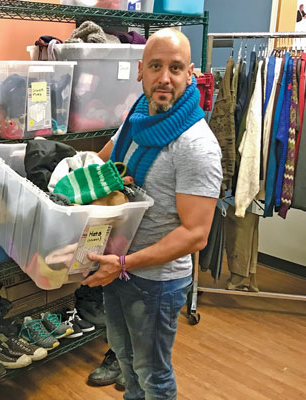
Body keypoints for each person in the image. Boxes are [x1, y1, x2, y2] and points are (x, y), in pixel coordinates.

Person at [82, 28, 223, 400]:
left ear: (190, 74)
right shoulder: (137, 116)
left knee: (153, 376)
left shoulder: (196, 146)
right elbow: (104, 163)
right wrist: (65, 180)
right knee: (127, 365)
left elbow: (196, 234)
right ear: (140, 71)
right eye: (156, 66)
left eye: (175, 68)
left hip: (156, 282)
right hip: (117, 268)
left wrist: (125, 262)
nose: (165, 78)